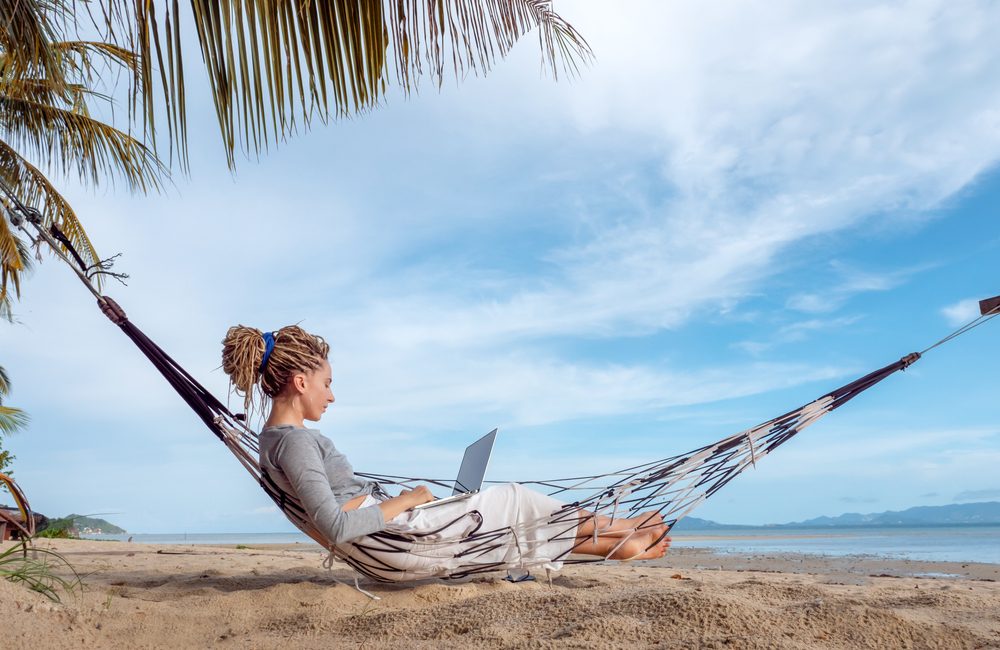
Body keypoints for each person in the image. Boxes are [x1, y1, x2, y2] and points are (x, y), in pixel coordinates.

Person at [221, 324, 670, 580]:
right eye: (327, 383)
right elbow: (335, 527)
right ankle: (623, 530)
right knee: (514, 499)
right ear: (300, 383)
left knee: (504, 516)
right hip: (398, 542)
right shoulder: (295, 442)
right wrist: (412, 498)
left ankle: (621, 538)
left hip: (391, 542)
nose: (331, 396)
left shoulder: (273, 439)